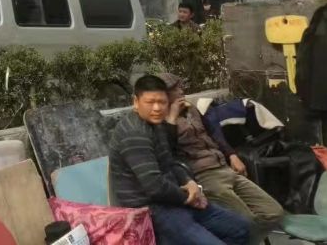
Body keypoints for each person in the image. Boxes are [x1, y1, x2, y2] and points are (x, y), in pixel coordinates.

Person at [109, 75, 250, 245]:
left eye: (162, 102)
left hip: (173, 200)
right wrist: (188, 197)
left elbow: (170, 161)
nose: (157, 108)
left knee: (240, 228)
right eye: (150, 102)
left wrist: (188, 181)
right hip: (151, 211)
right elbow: (154, 187)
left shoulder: (157, 124)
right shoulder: (134, 133)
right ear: (136, 102)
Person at [160, 73, 284, 245]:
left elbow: (214, 133)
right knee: (246, 222)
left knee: (274, 212)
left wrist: (232, 155)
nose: (181, 91)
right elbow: (167, 152)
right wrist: (172, 118)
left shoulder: (191, 109)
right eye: (175, 89)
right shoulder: (160, 121)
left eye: (180, 86)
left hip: (223, 167)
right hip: (204, 175)